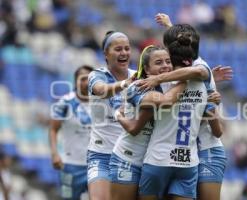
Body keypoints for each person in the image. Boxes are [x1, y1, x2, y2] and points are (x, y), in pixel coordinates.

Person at [155, 14, 229, 200]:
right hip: (181, 152)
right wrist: (169, 26)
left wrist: (156, 79)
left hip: (206, 149)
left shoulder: (198, 66)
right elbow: (178, 41)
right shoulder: (172, 66)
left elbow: (217, 130)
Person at [109, 45, 187, 200]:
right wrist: (117, 114)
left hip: (156, 162)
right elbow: (134, 128)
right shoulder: (139, 86)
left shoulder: (170, 86)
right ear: (147, 68)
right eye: (158, 62)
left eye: (168, 61)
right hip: (129, 159)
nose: (165, 66)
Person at [87, 31, 136, 200]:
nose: (124, 53)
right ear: (106, 54)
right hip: (101, 154)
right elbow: (101, 91)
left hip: (131, 156)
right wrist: (124, 84)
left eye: (127, 49)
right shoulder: (96, 75)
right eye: (118, 49)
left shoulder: (138, 77)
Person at [49, 65, 93, 200]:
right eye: (82, 79)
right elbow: (53, 129)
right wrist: (55, 154)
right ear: (75, 81)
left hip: (95, 166)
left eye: (89, 79)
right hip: (70, 164)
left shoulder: (102, 102)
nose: (86, 82)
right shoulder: (65, 102)